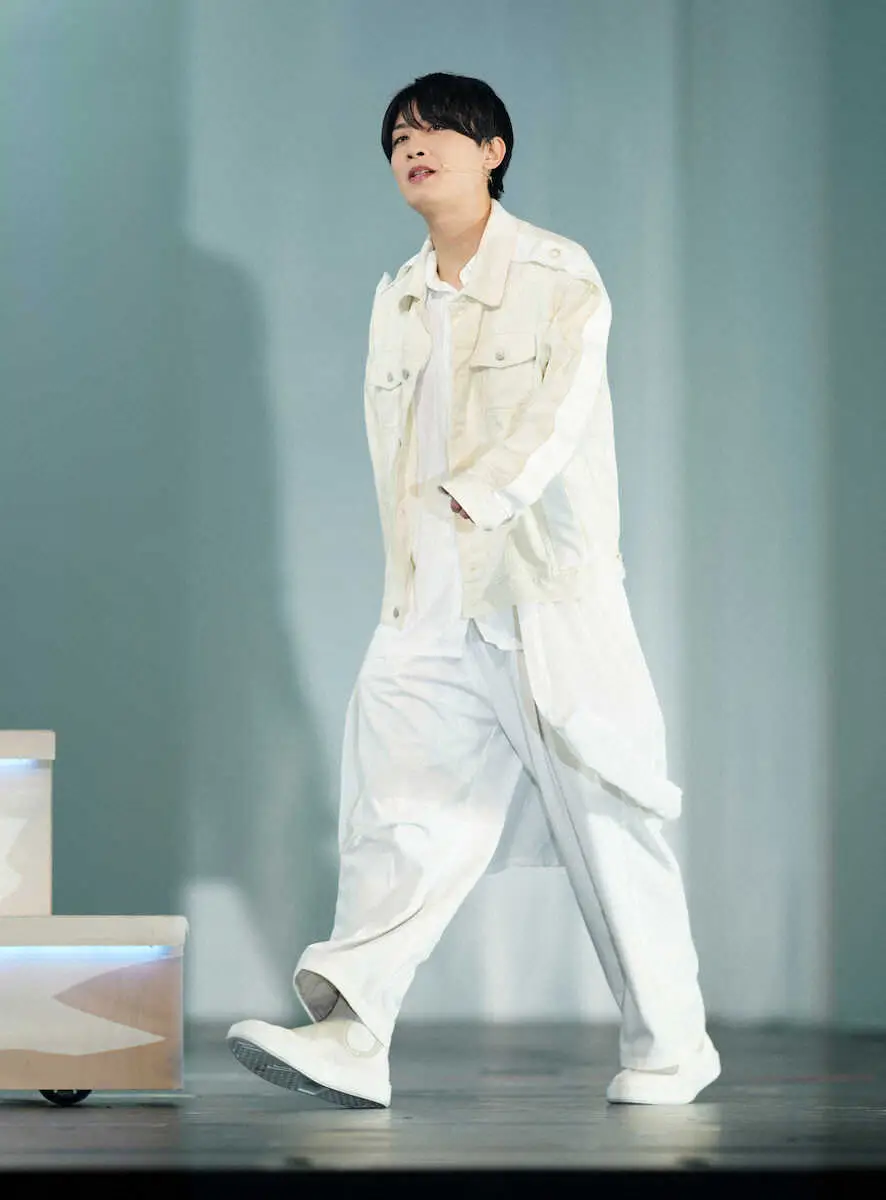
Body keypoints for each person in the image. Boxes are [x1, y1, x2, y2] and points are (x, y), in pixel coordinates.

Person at [227, 72, 720, 1109]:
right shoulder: (397, 297)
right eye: (398, 138)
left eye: (436, 131)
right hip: (427, 600)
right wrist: (415, 564)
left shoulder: (555, 272)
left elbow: (561, 409)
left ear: (492, 149)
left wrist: (483, 492)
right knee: (398, 818)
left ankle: (674, 1048)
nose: (412, 148)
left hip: (542, 592)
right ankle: (354, 1034)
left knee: (608, 822)